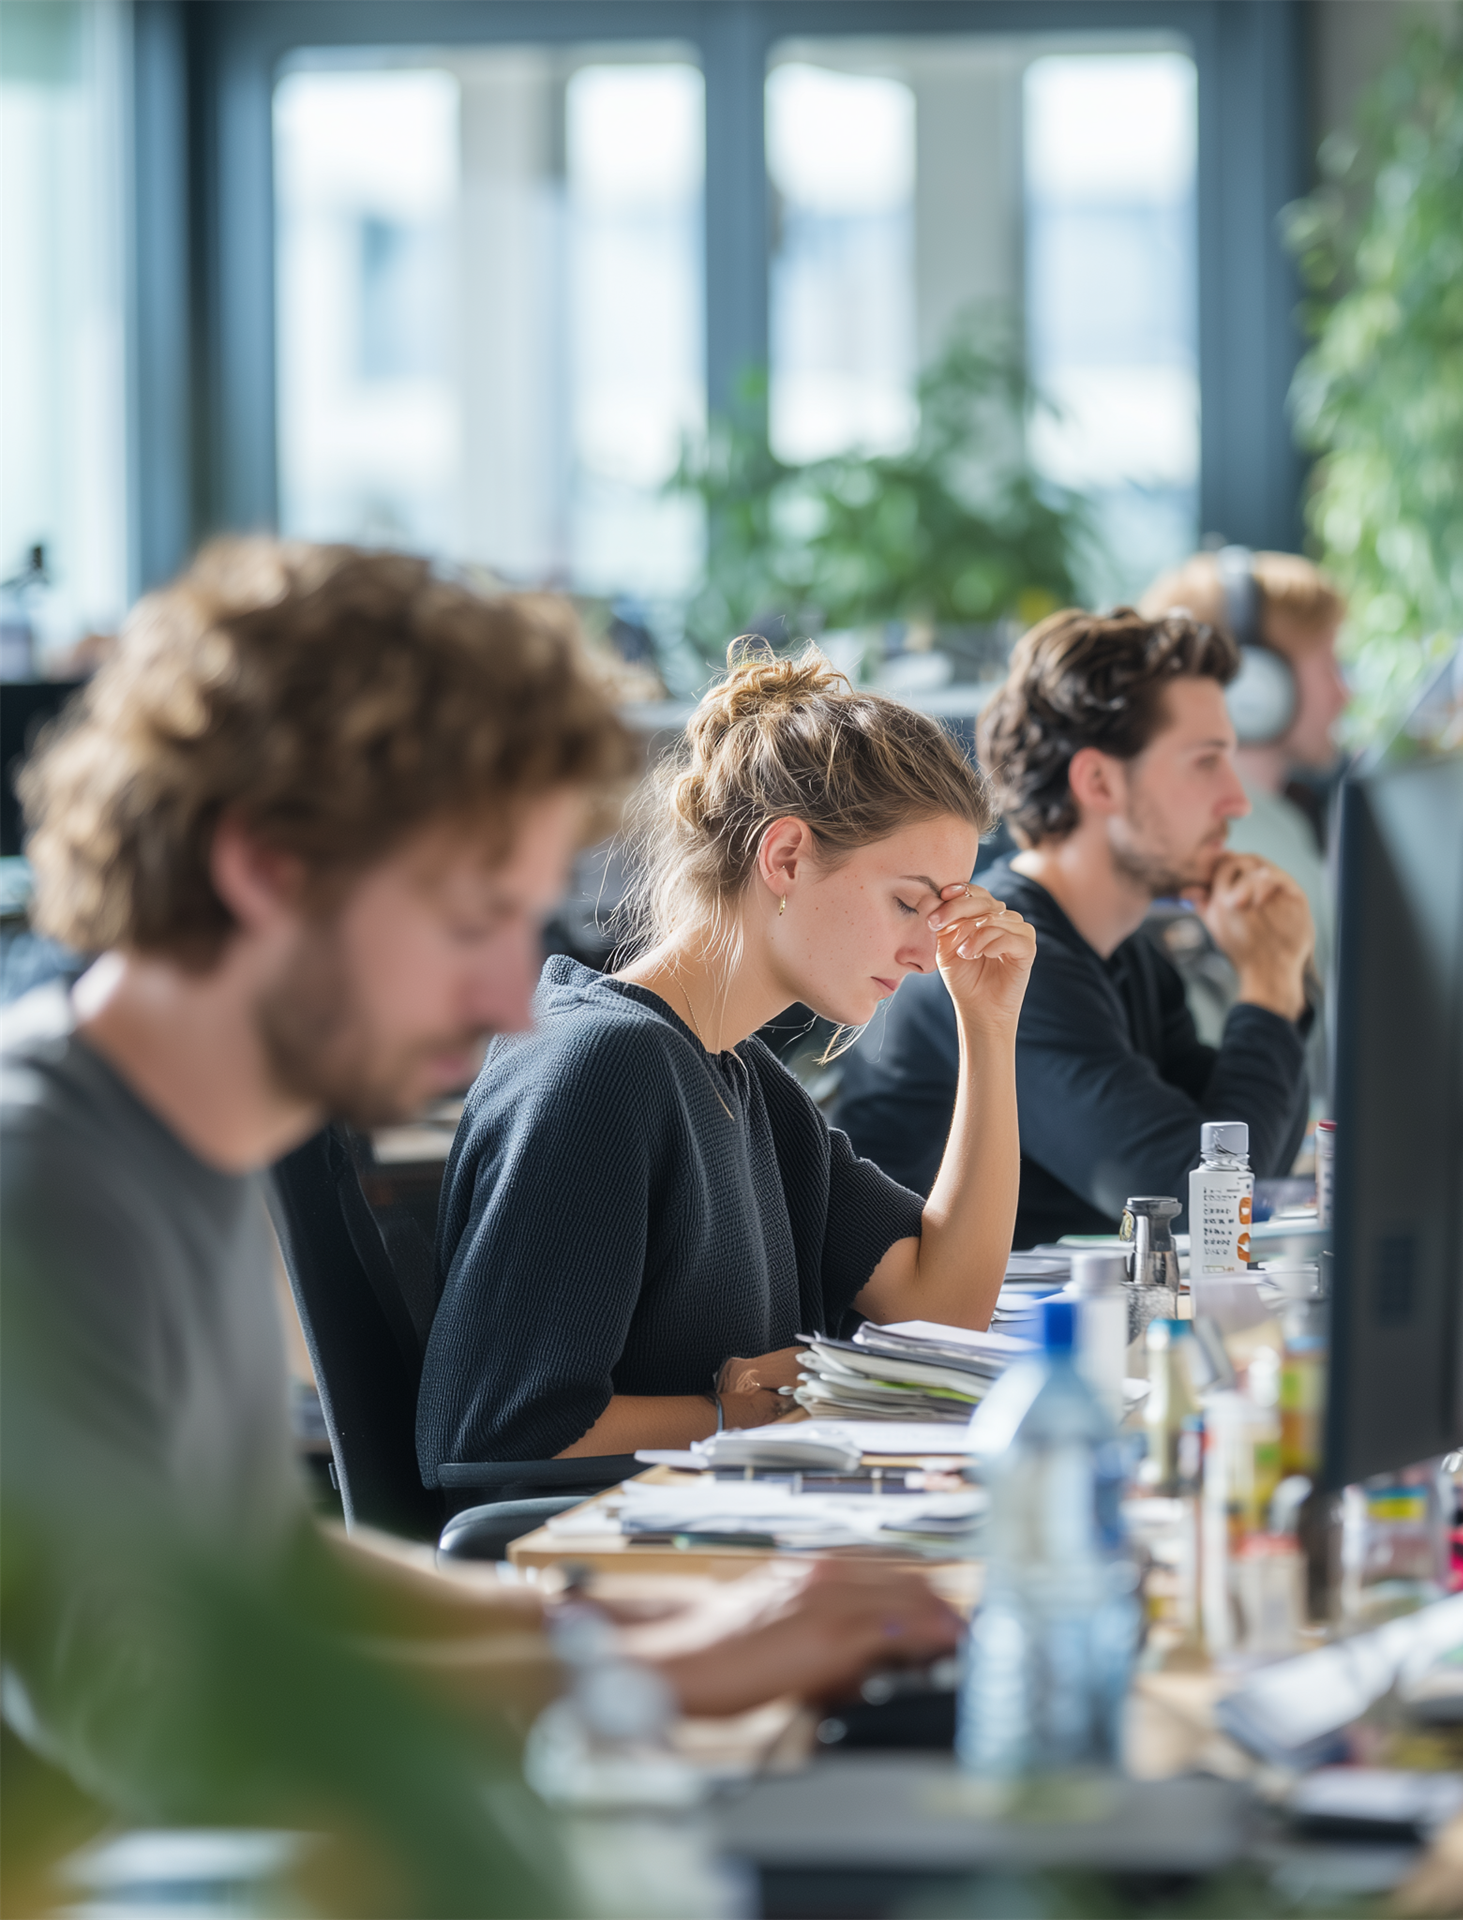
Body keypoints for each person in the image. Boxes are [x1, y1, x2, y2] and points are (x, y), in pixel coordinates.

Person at [0, 542, 963, 1832]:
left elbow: (258, 1566)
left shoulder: (163, 1150)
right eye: (471, 920)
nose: (514, 999)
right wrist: (647, 1673)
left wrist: (672, 1627)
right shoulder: (41, 1189)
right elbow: (159, 1702)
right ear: (269, 868)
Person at [417, 648, 1036, 1478]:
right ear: (785, 858)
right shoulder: (601, 1069)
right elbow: (491, 1438)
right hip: (607, 1554)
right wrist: (748, 1412)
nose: (928, 954)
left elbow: (944, 1312)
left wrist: (989, 1027)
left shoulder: (742, 1080)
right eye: (908, 903)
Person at [834, 607, 1315, 1250]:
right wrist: (1270, 986)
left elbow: (1247, 1158)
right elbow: (1198, 1206)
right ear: (1097, 781)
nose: (1237, 799)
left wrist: (1280, 984)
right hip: (914, 1316)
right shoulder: (999, 958)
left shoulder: (1128, 958)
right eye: (1206, 762)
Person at [1138, 549, 1349, 1044]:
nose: (1345, 693)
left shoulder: (1279, 823)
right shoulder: (1228, 845)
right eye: (1329, 665)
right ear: (1255, 687)